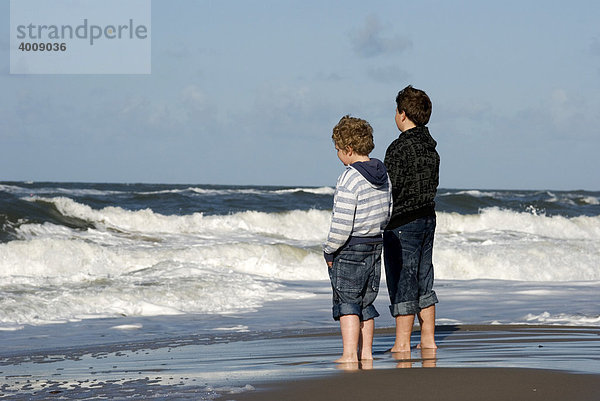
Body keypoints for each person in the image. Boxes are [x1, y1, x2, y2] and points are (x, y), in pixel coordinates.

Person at [323, 115, 393, 363]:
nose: (338, 155)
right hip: (375, 244)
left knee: (348, 302)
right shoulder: (383, 175)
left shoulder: (349, 177)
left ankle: (349, 354)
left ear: (349, 149)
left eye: (338, 150)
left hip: (350, 248)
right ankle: (367, 353)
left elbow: (341, 223)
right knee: (366, 302)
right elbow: (388, 211)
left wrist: (329, 250)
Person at [383, 85, 440, 352]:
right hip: (428, 216)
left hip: (403, 221)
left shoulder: (398, 147)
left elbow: (389, 188)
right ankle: (428, 338)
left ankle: (402, 342)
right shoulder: (431, 148)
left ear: (403, 114)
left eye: (396, 110)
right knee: (423, 275)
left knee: (404, 278)